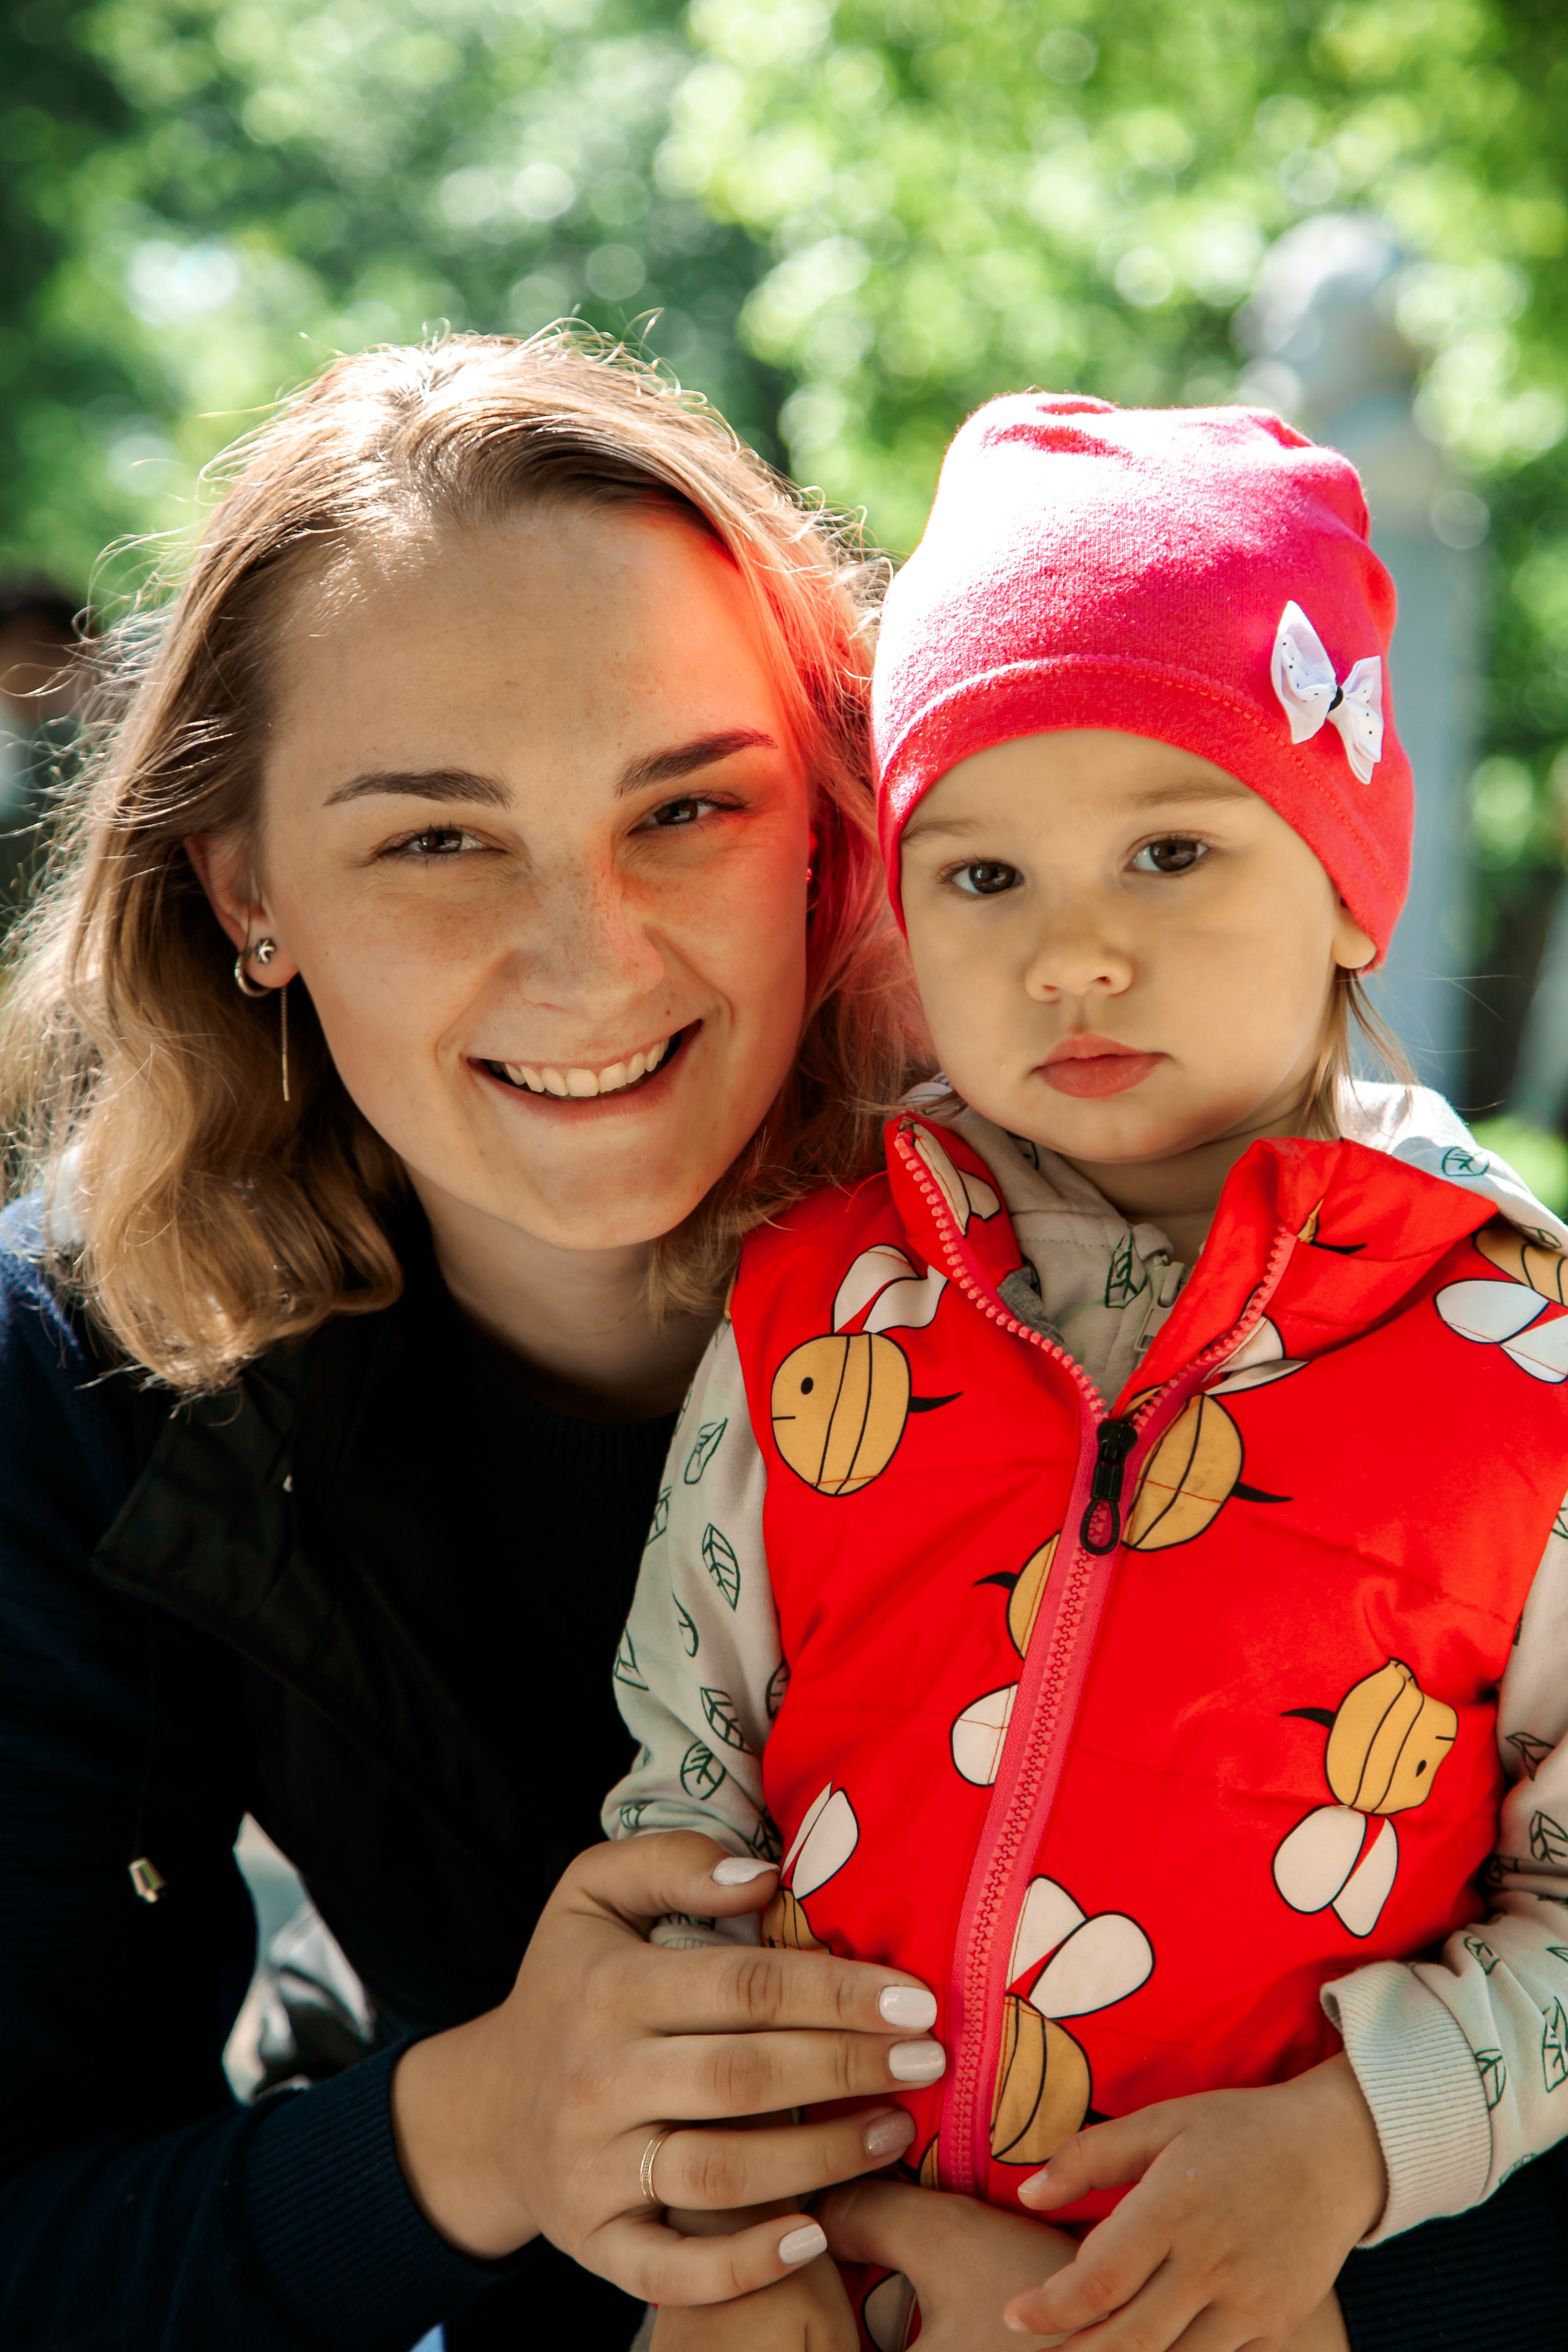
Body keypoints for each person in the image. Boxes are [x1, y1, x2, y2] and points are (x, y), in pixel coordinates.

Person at [0, 329, 963, 2351]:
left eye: (689, 808)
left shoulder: (1176, 1267)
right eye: (436, 837)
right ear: (245, 888)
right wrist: (489, 2132)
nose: (589, 953)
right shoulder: (68, 1378)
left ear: (833, 824)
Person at [606, 397, 1568, 2352]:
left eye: (1168, 849)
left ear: (1353, 882)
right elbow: (683, 1792)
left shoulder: (1523, 1372)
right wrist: (752, 2228)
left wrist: (1349, 2151)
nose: (1075, 956)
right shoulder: (819, 1307)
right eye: (985, 878)